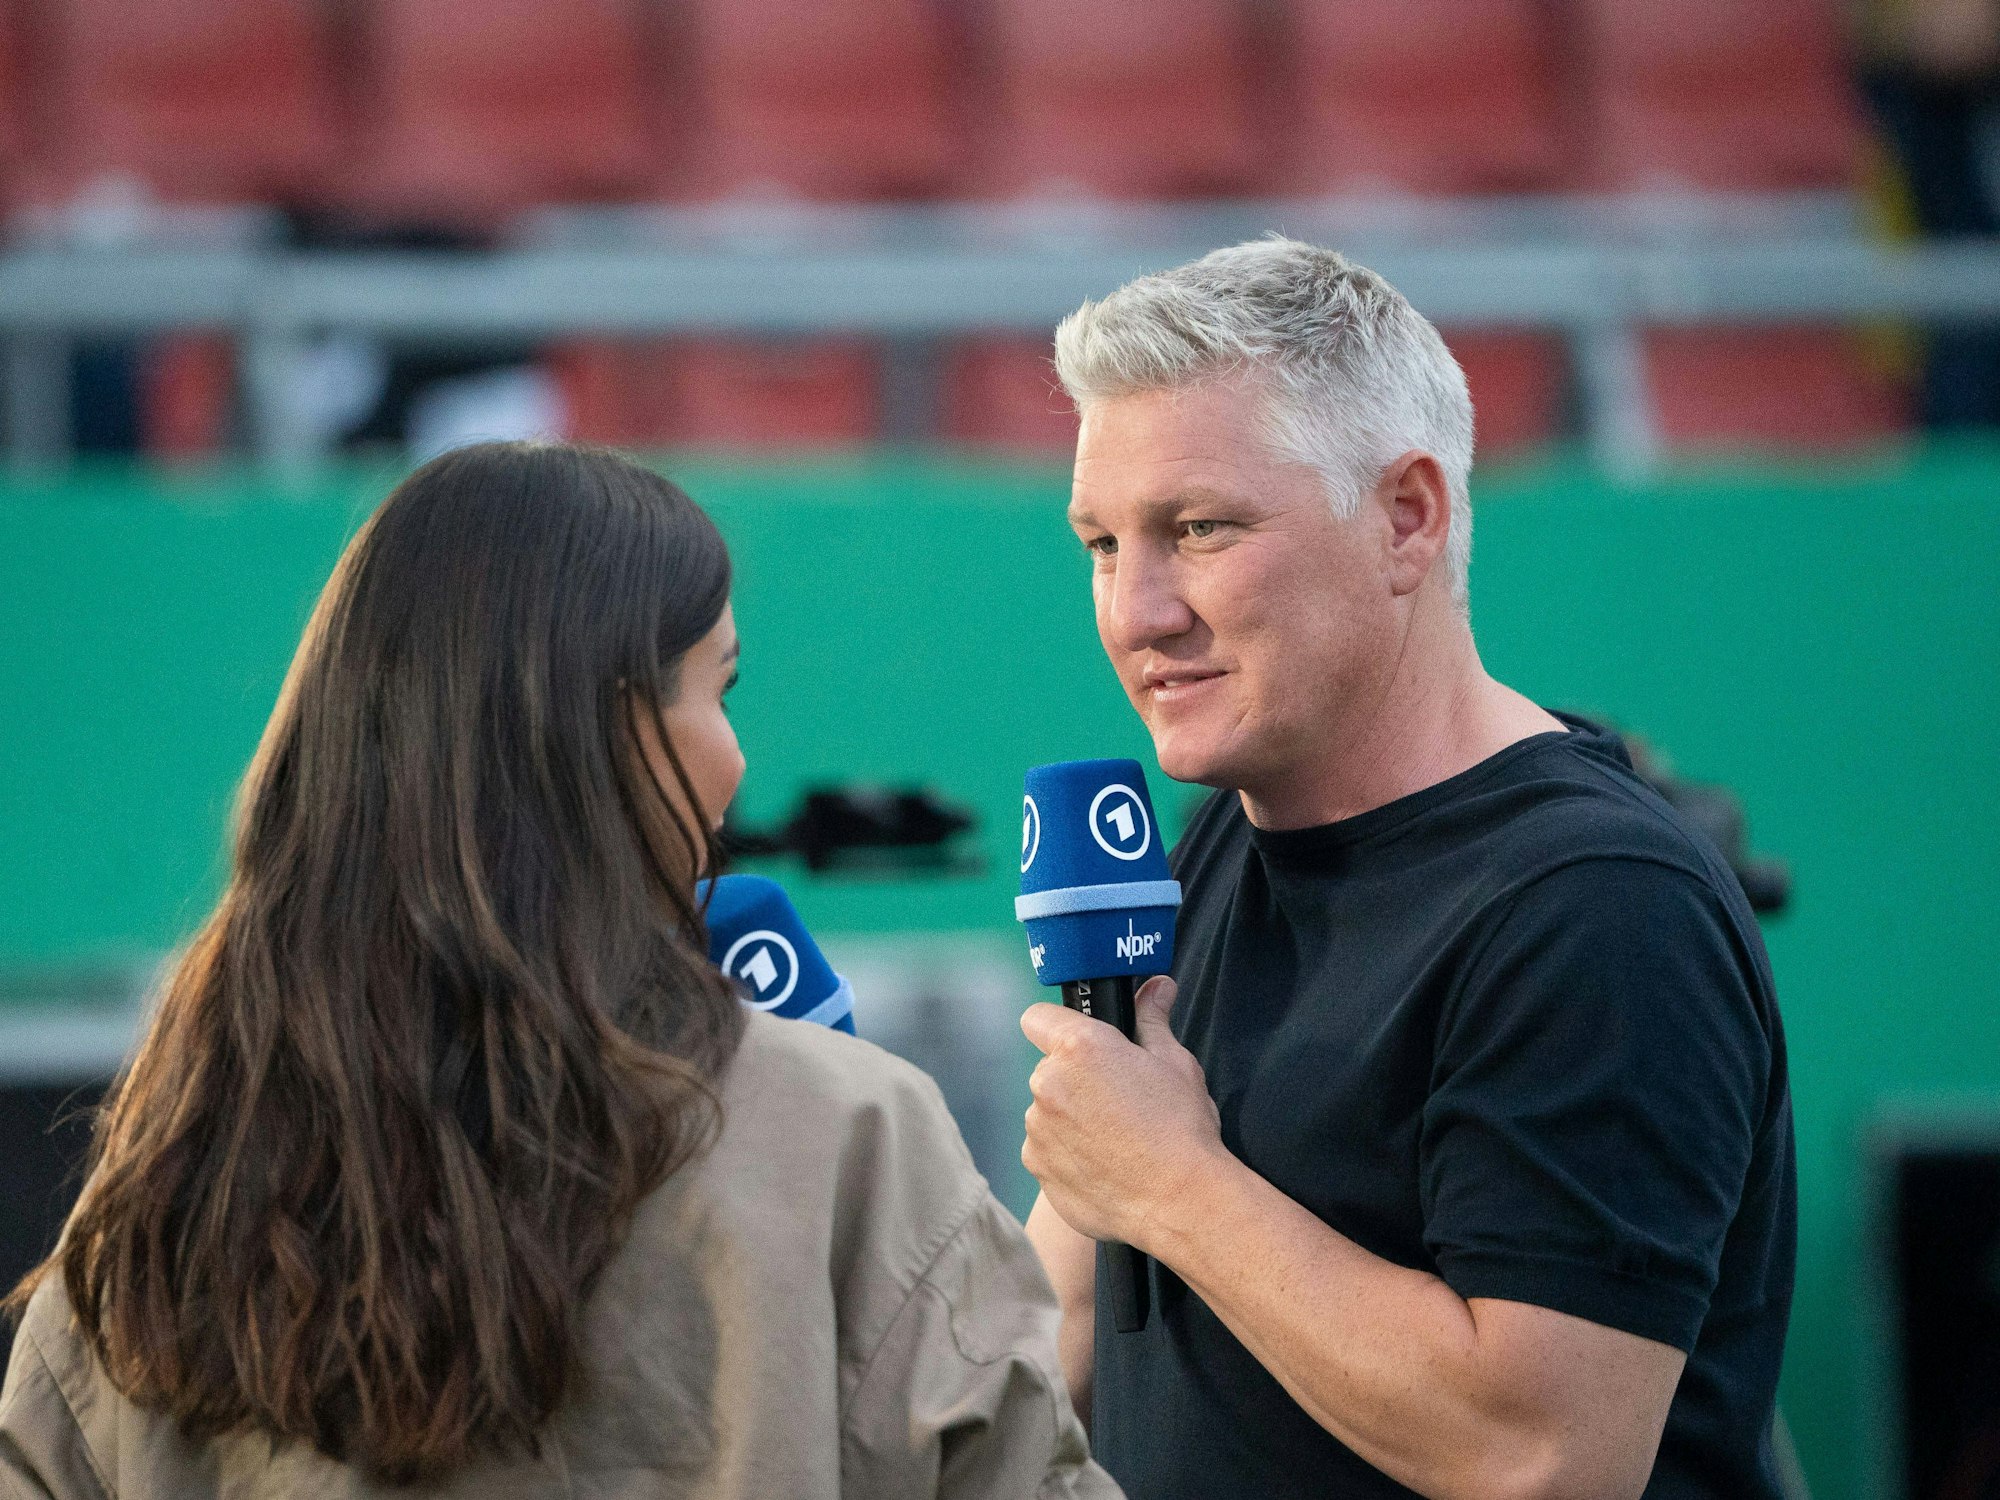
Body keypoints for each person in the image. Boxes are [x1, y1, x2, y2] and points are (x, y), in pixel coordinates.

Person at [0, 441, 1116, 1500]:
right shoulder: (843, 1132)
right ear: (604, 734)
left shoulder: (164, 1185)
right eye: (715, 691)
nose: (736, 761)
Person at [1017, 240, 1794, 1500]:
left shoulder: (1593, 904)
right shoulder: (1211, 842)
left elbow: (1540, 1452)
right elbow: (1047, 1328)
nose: (1133, 611)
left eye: (1197, 529)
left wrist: (1174, 1187)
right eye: (1101, 545)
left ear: (1406, 517)